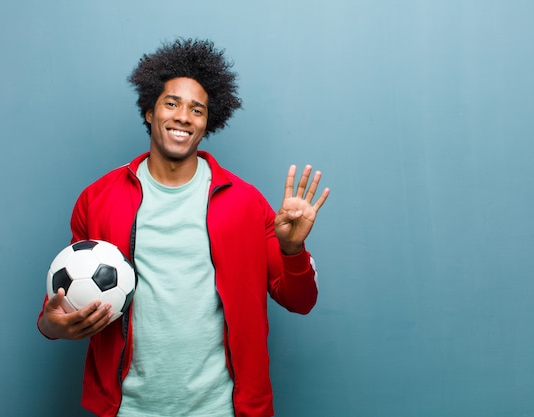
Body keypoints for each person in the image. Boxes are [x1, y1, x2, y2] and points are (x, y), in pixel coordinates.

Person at [37, 38, 329, 417]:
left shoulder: (245, 201)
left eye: (197, 109)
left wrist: (292, 250)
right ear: (149, 111)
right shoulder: (98, 199)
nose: (183, 117)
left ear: (208, 122)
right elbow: (64, 296)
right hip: (129, 408)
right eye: (171, 103)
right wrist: (52, 324)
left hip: (220, 408)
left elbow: (300, 301)